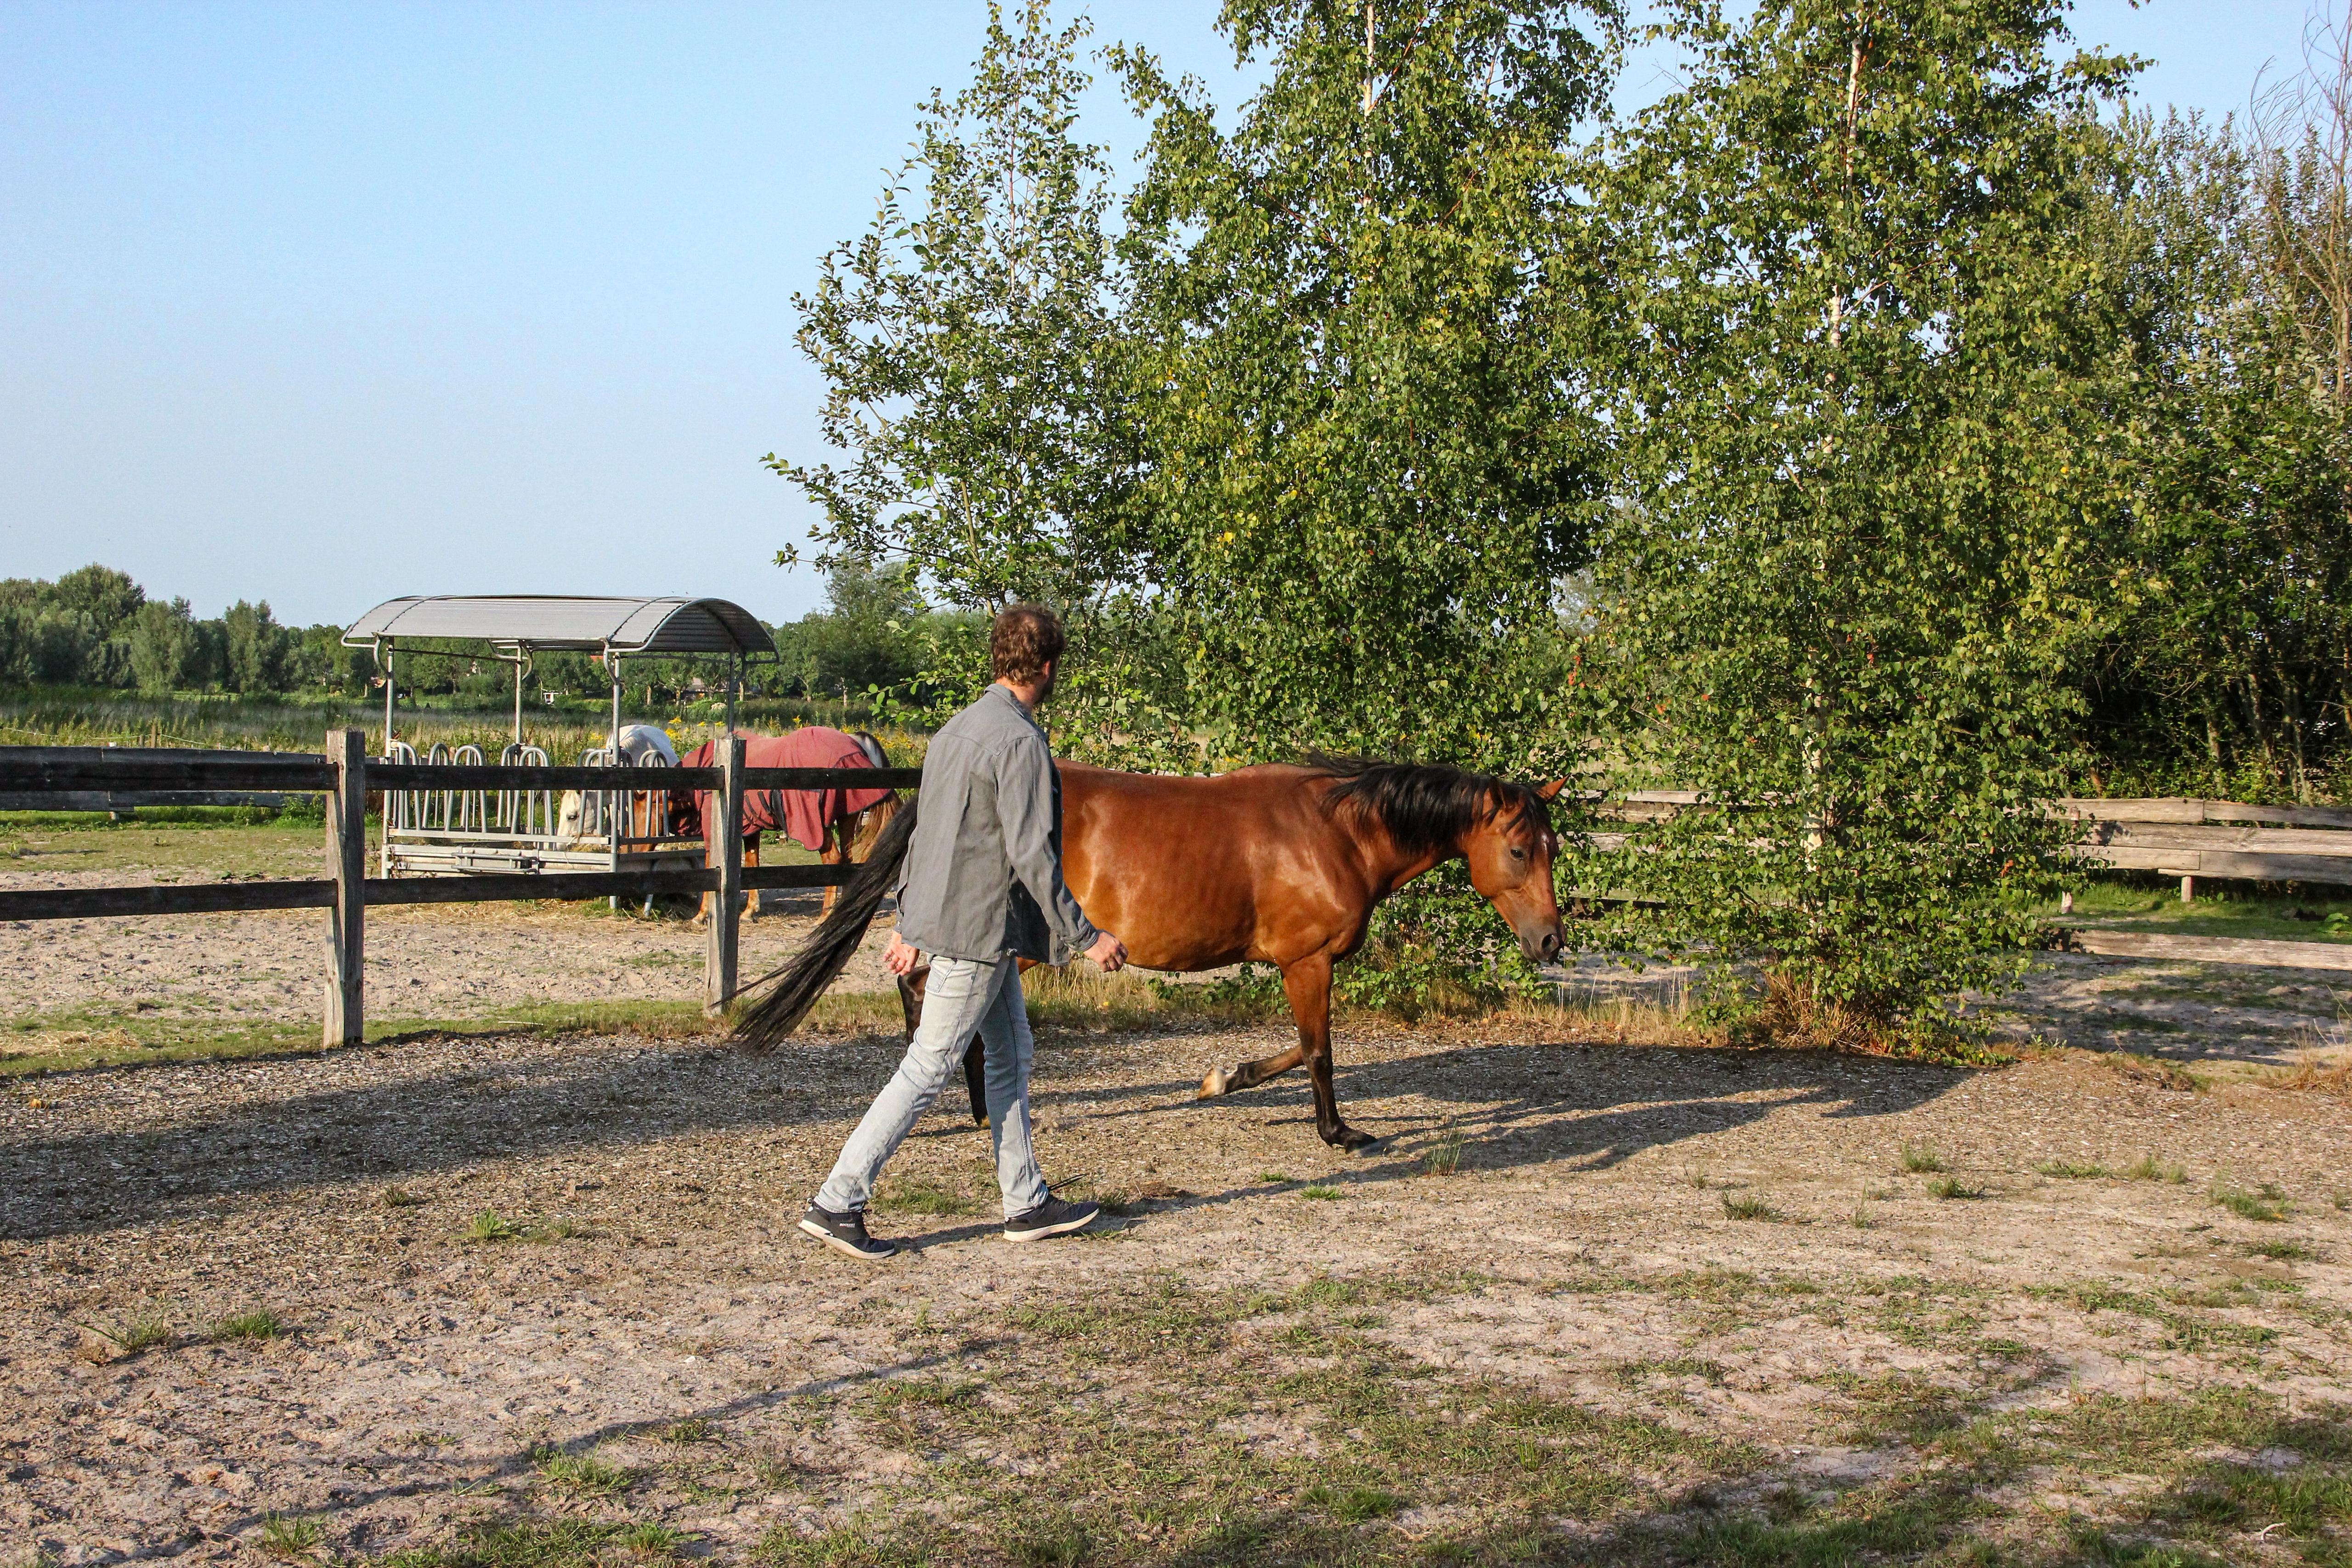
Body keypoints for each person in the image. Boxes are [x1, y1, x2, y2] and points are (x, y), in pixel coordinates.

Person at [798, 604, 1128, 1260]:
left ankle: (1025, 1201)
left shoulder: (956, 730)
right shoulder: (1019, 741)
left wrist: (909, 923)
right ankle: (838, 1200)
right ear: (1047, 666)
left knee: (1012, 1053)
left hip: (980, 931)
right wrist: (1086, 936)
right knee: (930, 1065)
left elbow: (926, 836)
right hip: (979, 931)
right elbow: (1032, 854)